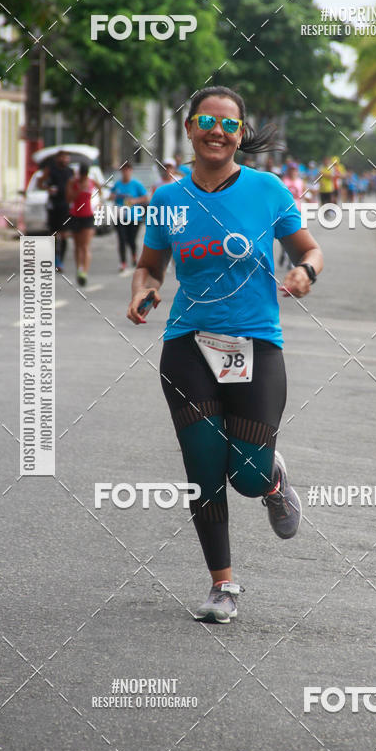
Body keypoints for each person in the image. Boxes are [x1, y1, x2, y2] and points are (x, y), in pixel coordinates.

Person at [127, 85, 323, 624]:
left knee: (246, 476)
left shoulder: (267, 190)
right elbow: (150, 266)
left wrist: (305, 271)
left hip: (255, 343)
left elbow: (308, 248)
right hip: (187, 345)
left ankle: (272, 480)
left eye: (230, 124)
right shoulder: (167, 199)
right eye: (207, 121)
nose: (218, 131)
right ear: (189, 128)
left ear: (240, 133)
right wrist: (145, 289)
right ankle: (222, 584)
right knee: (203, 465)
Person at [110, 161, 148, 272]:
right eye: (124, 170)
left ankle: (134, 256)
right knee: (122, 239)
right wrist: (114, 196)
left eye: (128, 170)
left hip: (134, 217)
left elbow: (146, 197)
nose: (126, 172)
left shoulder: (136, 184)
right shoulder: (117, 184)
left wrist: (135, 200)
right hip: (120, 216)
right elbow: (110, 196)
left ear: (131, 171)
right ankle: (122, 262)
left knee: (131, 239)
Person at [42, 150, 73, 271]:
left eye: (66, 157)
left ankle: (61, 261)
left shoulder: (70, 171)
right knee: (53, 234)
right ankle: (55, 259)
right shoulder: (50, 170)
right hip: (54, 206)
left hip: (65, 206)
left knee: (64, 235)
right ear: (57, 159)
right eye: (62, 157)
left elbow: (74, 186)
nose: (65, 160)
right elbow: (41, 183)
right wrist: (48, 189)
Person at [66, 163, 96, 286]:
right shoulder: (72, 182)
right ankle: (79, 268)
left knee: (85, 246)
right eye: (82, 174)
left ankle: (84, 272)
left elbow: (99, 191)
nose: (83, 177)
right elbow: (69, 198)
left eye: (85, 174)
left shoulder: (91, 182)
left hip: (88, 215)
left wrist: (99, 203)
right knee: (77, 245)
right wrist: (78, 189)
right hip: (75, 215)